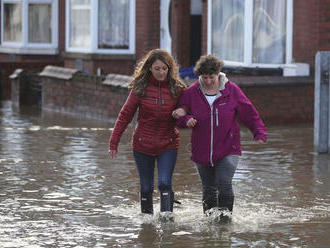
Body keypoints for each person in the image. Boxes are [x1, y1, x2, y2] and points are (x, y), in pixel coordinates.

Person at [172, 55, 267, 222]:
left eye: (211, 77)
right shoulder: (191, 93)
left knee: (224, 184)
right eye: (204, 77)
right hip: (201, 150)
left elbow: (249, 113)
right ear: (199, 76)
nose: (208, 81)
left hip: (228, 147)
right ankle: (209, 224)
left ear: (218, 74)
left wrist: (259, 132)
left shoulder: (232, 90)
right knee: (208, 189)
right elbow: (178, 116)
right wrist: (186, 120)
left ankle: (225, 223)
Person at [109, 49, 186, 216]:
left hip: (169, 143)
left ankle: (167, 222)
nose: (161, 72)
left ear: (170, 68)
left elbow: (190, 109)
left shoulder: (177, 89)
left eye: (164, 69)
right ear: (150, 68)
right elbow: (125, 115)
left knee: (165, 183)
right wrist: (114, 142)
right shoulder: (140, 88)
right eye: (157, 69)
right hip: (142, 144)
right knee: (146, 187)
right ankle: (146, 223)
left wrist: (184, 113)